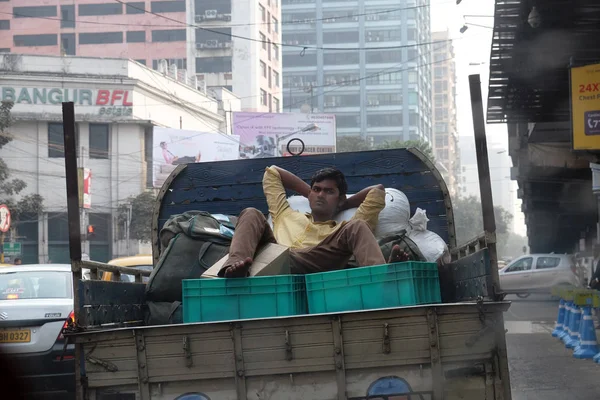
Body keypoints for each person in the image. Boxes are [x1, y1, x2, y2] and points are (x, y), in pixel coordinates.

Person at [219, 165, 404, 278]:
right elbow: (273, 172)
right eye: (317, 189)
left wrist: (344, 204)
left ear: (339, 198)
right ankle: (235, 268)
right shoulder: (286, 213)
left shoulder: (341, 230)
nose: (321, 195)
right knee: (251, 213)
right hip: (275, 256)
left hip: (314, 259)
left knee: (357, 226)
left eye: (329, 191)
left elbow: (377, 190)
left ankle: (382, 276)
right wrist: (310, 193)